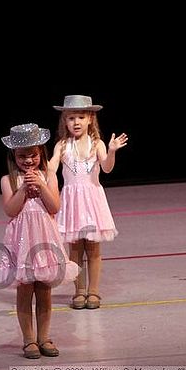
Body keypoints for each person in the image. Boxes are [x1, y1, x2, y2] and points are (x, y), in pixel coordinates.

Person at [0, 123, 80, 359]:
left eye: (33, 154)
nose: (28, 160)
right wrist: (23, 190)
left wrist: (40, 185)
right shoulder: (7, 180)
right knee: (24, 291)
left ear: (41, 152)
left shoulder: (49, 175)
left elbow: (55, 206)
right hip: (22, 244)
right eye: (22, 156)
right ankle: (29, 339)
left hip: (45, 240)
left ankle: (44, 337)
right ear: (14, 156)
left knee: (44, 292)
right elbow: (10, 210)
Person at [49, 95, 128, 310]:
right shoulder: (62, 146)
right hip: (72, 203)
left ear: (90, 119)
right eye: (71, 117)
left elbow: (107, 168)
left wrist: (111, 151)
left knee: (93, 249)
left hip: (92, 201)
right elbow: (52, 169)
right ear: (64, 121)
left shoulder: (98, 144)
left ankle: (93, 291)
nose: (76, 122)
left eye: (81, 117)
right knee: (75, 249)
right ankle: (79, 291)